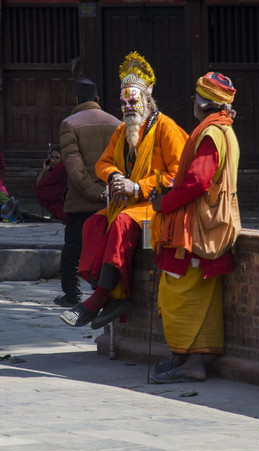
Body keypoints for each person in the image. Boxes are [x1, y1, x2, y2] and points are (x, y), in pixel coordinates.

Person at [59, 51, 188, 328]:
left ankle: (100, 297)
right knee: (94, 222)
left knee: (120, 222)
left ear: (147, 99)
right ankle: (106, 291)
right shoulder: (122, 131)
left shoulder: (166, 129)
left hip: (156, 203)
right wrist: (115, 176)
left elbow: (178, 174)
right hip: (126, 201)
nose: (128, 107)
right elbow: (103, 164)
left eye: (133, 101)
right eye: (123, 102)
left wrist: (138, 185)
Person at [149, 72, 240, 384]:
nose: (193, 102)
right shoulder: (223, 132)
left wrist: (166, 203)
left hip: (199, 226)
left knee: (179, 291)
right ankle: (185, 357)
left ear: (203, 103)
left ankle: (192, 362)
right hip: (209, 222)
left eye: (195, 97)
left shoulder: (212, 134)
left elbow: (198, 181)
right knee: (194, 292)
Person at [54, 75, 121, 308]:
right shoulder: (117, 123)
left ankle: (72, 294)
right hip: (111, 199)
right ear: (98, 99)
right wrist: (107, 192)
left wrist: (94, 192)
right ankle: (104, 291)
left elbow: (75, 169)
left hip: (82, 200)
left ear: (75, 99)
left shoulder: (69, 123)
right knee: (106, 248)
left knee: (73, 249)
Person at [34, 145, 68, 221]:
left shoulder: (61, 168)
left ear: (62, 158)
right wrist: (44, 170)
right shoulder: (54, 169)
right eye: (52, 157)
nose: (53, 160)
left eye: (57, 157)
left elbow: (40, 187)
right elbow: (39, 186)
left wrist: (43, 171)